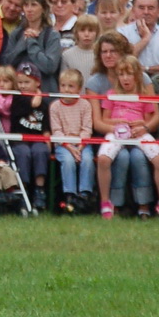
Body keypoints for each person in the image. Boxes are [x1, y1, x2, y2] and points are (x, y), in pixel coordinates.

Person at [94, 55, 159, 220]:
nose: (125, 79)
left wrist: (143, 126)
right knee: (103, 159)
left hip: (139, 132)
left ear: (137, 76)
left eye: (129, 74)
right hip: (117, 132)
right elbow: (104, 119)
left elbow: (152, 119)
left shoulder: (144, 94)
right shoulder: (112, 94)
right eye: (121, 75)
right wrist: (117, 123)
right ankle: (105, 202)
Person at [50, 67, 96, 213]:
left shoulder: (85, 105)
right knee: (68, 161)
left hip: (82, 144)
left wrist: (80, 147)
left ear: (79, 89)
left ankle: (84, 194)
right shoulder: (55, 106)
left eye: (71, 86)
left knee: (87, 159)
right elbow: (56, 131)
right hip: (63, 144)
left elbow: (87, 128)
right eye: (63, 85)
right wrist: (69, 147)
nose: (66, 90)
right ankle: (70, 195)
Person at [0, 0, 61, 90]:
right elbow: (6, 63)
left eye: (34, 5)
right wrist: (23, 42)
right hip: (19, 94)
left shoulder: (52, 35)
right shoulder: (17, 33)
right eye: (26, 5)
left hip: (44, 94)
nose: (29, 9)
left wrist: (31, 43)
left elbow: (49, 67)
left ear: (44, 8)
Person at [8, 63, 50, 210]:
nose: (23, 86)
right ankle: (23, 190)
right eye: (20, 82)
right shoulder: (16, 99)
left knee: (40, 151)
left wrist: (47, 140)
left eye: (27, 82)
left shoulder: (44, 104)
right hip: (19, 140)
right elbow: (33, 103)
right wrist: (37, 95)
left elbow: (45, 126)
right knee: (23, 153)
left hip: (37, 139)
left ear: (37, 82)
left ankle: (39, 189)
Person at [121, 0, 159, 72]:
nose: (146, 12)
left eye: (151, 8)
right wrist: (145, 39)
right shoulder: (122, 34)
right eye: (141, 8)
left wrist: (145, 69)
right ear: (133, 10)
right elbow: (123, 63)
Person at [85, 29, 130, 96]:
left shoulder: (141, 78)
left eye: (113, 51)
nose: (108, 55)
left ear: (123, 52)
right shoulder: (93, 83)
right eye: (104, 52)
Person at [60, 13, 100, 82]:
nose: (86, 34)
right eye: (82, 30)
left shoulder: (101, 55)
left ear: (97, 33)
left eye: (91, 30)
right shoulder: (67, 55)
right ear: (76, 33)